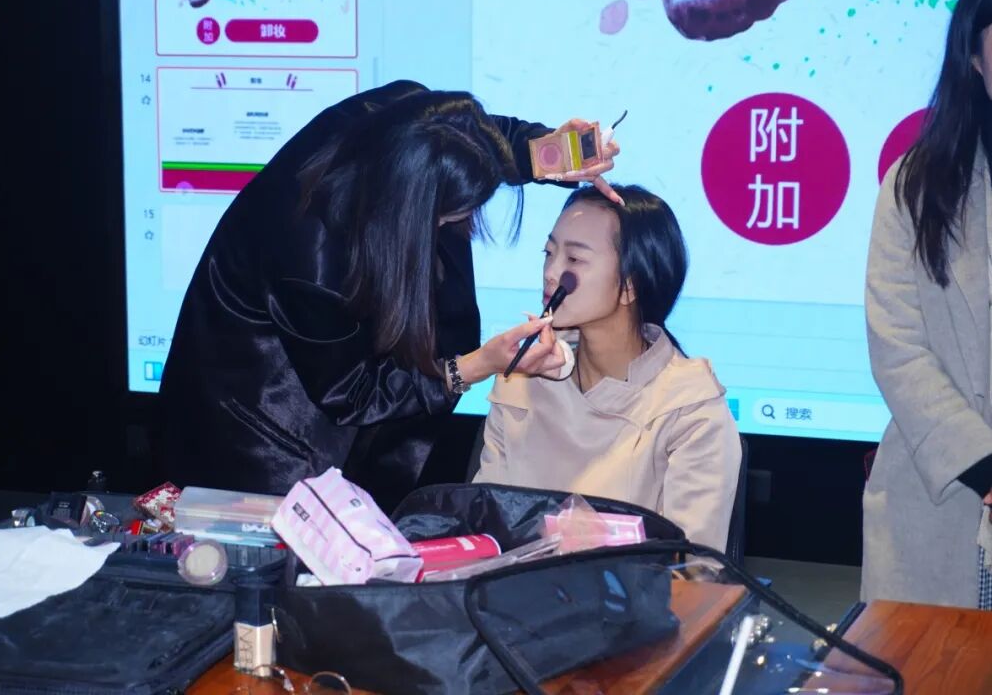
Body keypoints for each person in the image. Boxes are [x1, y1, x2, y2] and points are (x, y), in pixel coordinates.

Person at [157, 80, 620, 510]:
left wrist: (553, 153)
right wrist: (479, 364)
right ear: (412, 204)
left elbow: (477, 139)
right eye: (447, 217)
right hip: (267, 424)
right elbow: (353, 393)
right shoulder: (313, 257)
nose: (456, 227)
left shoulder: (409, 118)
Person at [473, 185, 741, 550]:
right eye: (548, 253)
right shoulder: (522, 378)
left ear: (630, 285)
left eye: (574, 259)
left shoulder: (690, 409)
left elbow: (693, 567)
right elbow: (484, 532)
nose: (551, 272)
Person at [863, 0, 992, 609]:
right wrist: (984, 465)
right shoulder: (916, 185)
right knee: (933, 658)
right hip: (939, 496)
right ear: (974, 55)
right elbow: (897, 345)